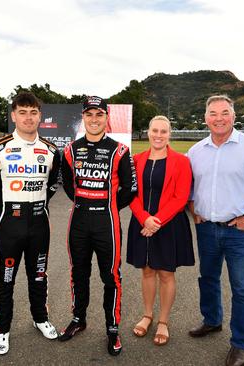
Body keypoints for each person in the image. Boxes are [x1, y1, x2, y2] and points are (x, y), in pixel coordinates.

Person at [186, 95, 244, 366]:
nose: (219, 118)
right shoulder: (196, 151)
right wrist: (194, 209)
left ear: (233, 116)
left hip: (239, 230)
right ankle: (212, 321)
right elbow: (188, 186)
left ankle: (240, 345)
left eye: (224, 112)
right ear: (205, 118)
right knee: (208, 279)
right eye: (213, 113)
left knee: (243, 289)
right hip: (206, 229)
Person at [0, 92, 62, 355]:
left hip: (39, 224)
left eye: (33, 112)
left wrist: (35, 207)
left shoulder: (50, 150)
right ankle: (2, 329)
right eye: (22, 112)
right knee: (5, 278)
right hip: (7, 226)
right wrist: (3, 212)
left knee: (38, 275)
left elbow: (53, 185)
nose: (28, 117)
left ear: (40, 116)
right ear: (13, 115)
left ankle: (40, 318)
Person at [58, 96, 138, 356]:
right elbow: (68, 185)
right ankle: (79, 319)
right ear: (83, 117)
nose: (94, 119)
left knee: (111, 277)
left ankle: (112, 328)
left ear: (106, 118)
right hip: (79, 220)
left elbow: (130, 188)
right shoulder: (70, 150)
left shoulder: (120, 150)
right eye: (89, 114)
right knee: (78, 272)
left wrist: (110, 205)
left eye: (99, 114)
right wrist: (84, 201)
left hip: (107, 222)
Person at [126, 115, 195, 346]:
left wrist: (156, 221)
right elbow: (131, 194)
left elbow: (181, 197)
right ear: (148, 132)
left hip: (169, 224)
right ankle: (147, 315)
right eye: (154, 130)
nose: (158, 135)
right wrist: (145, 219)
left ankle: (163, 321)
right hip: (142, 222)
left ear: (169, 134)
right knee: (146, 271)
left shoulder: (181, 161)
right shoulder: (136, 160)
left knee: (165, 273)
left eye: (163, 131)